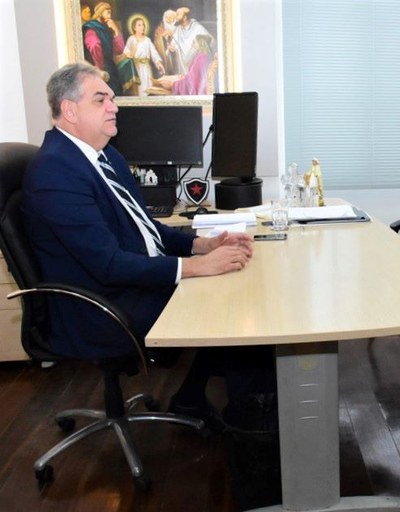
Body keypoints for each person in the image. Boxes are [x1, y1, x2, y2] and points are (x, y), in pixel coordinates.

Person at [23, 62, 275, 430]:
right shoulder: (55, 171)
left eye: (112, 98)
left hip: (124, 285)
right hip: (100, 306)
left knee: (232, 290)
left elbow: (146, 227)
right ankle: (254, 424)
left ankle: (199, 398)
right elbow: (109, 265)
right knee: (225, 305)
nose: (114, 107)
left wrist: (202, 245)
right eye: (100, 100)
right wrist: (196, 267)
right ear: (69, 110)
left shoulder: (106, 156)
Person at [82, 2, 126, 96]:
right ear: (100, 12)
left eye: (110, 12)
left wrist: (116, 29)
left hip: (110, 67)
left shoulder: (107, 28)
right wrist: (100, 67)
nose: (110, 15)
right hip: (100, 68)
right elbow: (94, 46)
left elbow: (119, 49)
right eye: (107, 12)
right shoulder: (91, 27)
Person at [122, 14, 165, 96]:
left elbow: (154, 53)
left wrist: (159, 63)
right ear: (134, 28)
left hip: (146, 69)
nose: (142, 27)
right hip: (136, 69)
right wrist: (130, 54)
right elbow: (126, 52)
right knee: (138, 91)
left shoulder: (147, 40)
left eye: (143, 25)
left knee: (148, 90)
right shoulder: (131, 39)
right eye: (139, 25)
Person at [169, 7, 216, 74]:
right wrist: (172, 47)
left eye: (178, 14)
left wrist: (199, 44)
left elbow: (212, 41)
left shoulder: (197, 28)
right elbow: (174, 43)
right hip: (182, 66)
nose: (175, 17)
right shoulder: (178, 29)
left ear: (185, 17)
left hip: (195, 65)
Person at [153, 9, 181, 76]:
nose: (169, 19)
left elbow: (179, 40)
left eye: (171, 17)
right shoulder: (160, 28)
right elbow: (157, 40)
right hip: (163, 52)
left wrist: (171, 35)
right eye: (167, 17)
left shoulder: (177, 28)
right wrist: (163, 36)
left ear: (174, 18)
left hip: (175, 53)